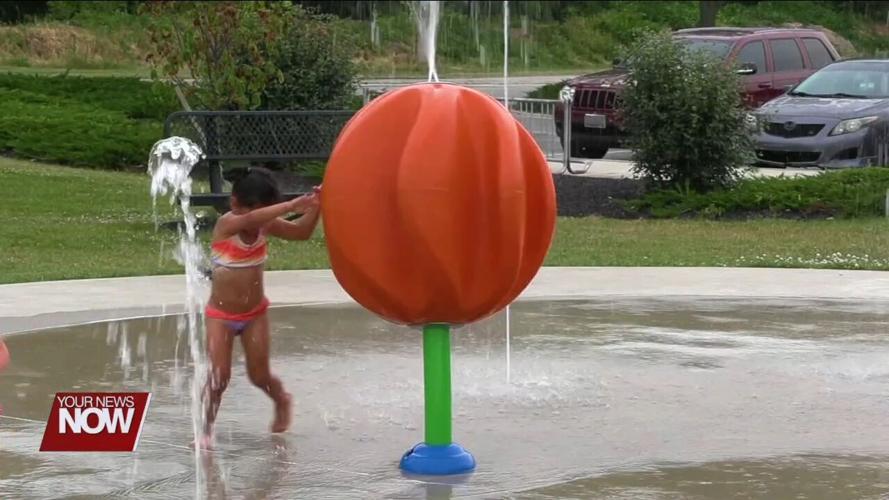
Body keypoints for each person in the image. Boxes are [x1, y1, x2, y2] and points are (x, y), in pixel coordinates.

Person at [201, 167, 321, 447]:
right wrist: (291, 205)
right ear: (234, 203)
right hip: (220, 316)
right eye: (260, 211)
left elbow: (301, 233)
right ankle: (204, 429)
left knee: (260, 376)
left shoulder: (264, 224)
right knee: (218, 377)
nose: (262, 220)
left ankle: (282, 400)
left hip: (254, 316)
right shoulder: (227, 224)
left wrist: (317, 206)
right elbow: (251, 218)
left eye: (268, 211)